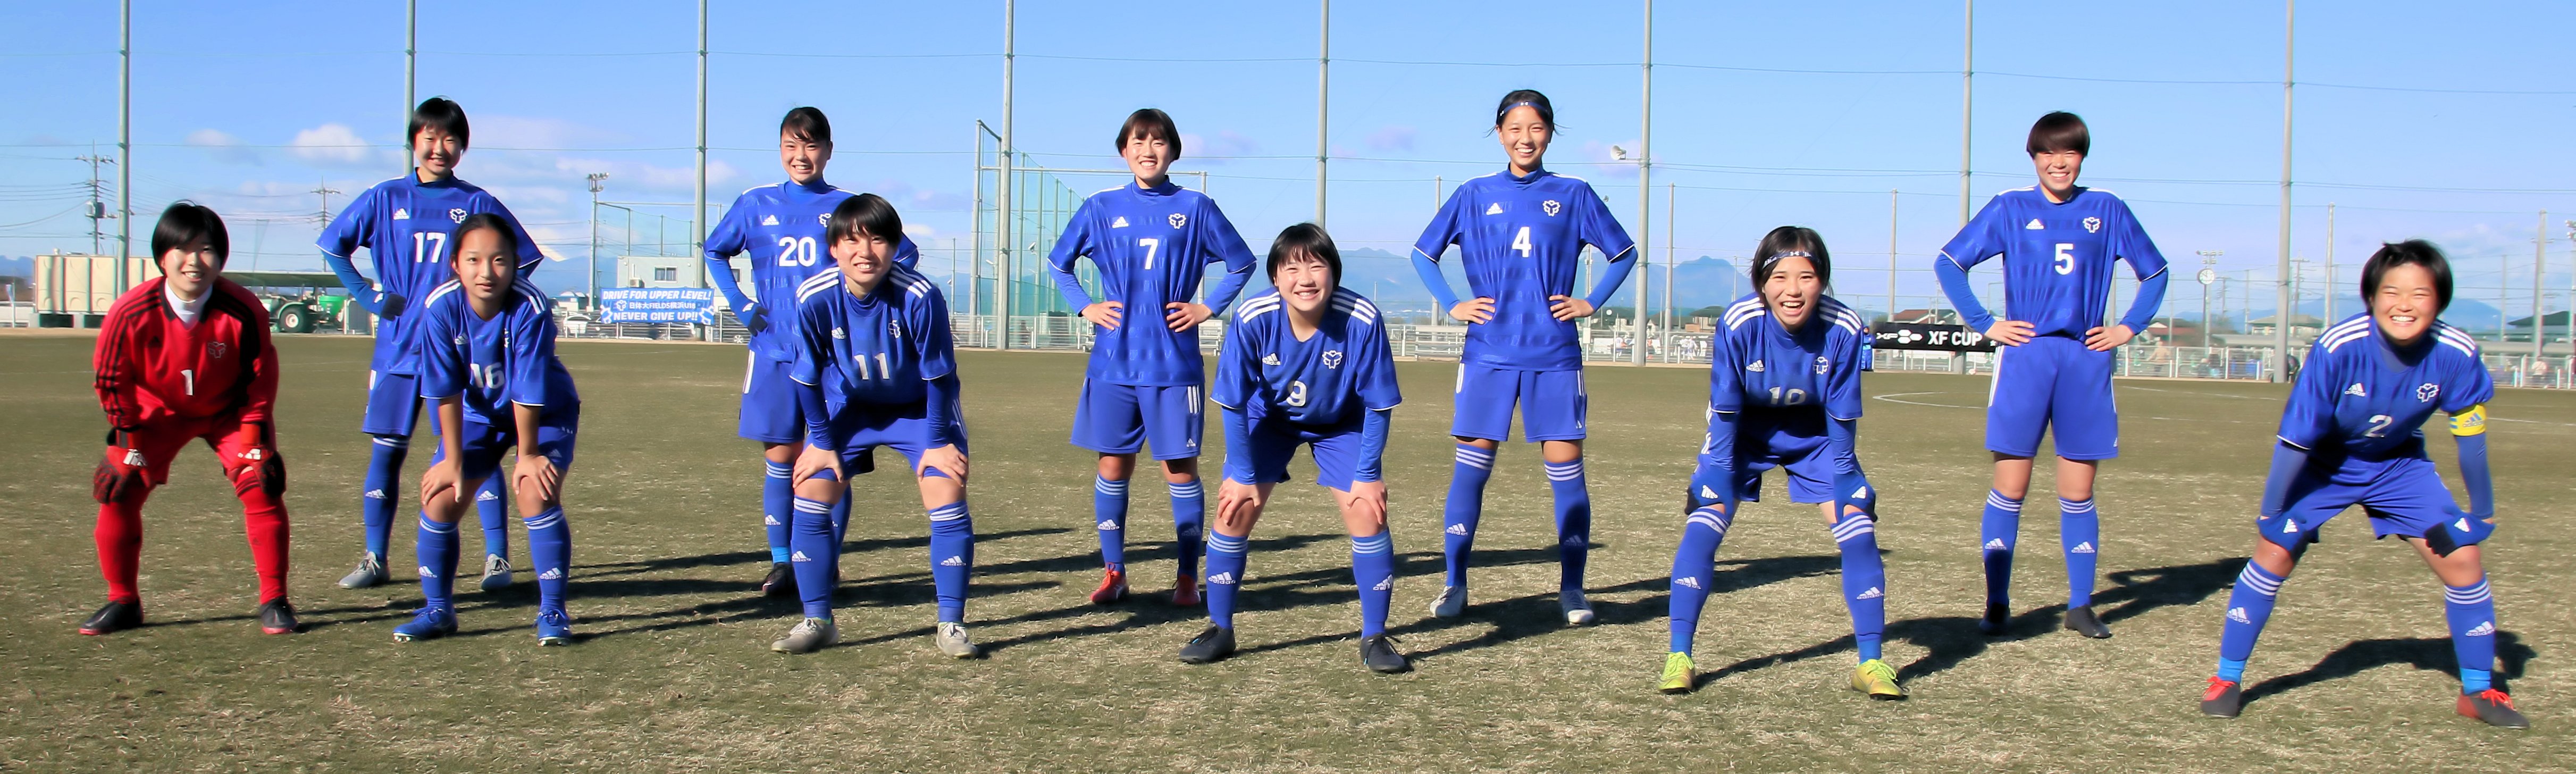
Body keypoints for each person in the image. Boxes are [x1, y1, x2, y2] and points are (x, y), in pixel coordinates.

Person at [2199, 241, 2525, 728]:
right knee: (2274, 552)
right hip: (2323, 464)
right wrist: (2272, 514)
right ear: (2371, 296)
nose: (2404, 303)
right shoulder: (2337, 346)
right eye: (2390, 291)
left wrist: (2481, 514)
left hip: (2398, 466)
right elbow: (2296, 437)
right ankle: (2227, 678)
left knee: (2463, 559)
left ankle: (2478, 691)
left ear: (2439, 300)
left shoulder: (2455, 353)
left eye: (2420, 293)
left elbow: (2471, 436)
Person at [1932, 111, 2169, 638]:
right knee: (2010, 486)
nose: (2058, 162)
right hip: (2027, 357)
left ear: (2082, 157)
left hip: (2084, 359)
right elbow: (1950, 263)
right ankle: (1997, 603)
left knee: (2078, 490)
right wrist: (1985, 323)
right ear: (2034, 157)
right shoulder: (2010, 208)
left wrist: (2128, 327)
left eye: (2069, 152)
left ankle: (2082, 605)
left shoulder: (2106, 209)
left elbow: (2155, 271)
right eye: (2047, 153)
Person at [1410, 89, 1638, 625]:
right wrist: (1453, 304)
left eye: (1535, 128)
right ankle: (1453, 583)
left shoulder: (1574, 193)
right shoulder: (1473, 194)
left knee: (1567, 475)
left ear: (1550, 133)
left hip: (1554, 355)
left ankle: (1573, 590)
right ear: (1499, 134)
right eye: (1514, 128)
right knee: (1470, 474)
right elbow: (1424, 254)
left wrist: (1591, 301)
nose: (1525, 138)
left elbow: (1623, 252)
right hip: (1488, 353)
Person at [320, 97, 545, 593]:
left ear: (462, 147)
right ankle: (376, 557)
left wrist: (493, 316)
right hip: (399, 350)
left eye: (450, 139)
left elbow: (523, 259)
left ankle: (497, 560)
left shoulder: (478, 202)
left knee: (472, 451)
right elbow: (334, 242)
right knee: (387, 453)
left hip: (465, 354)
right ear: (413, 141)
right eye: (430, 136)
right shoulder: (384, 197)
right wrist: (367, 294)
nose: (439, 147)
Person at [1660, 227, 1896, 698]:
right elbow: (1725, 405)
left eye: (1806, 277)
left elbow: (1843, 410)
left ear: (1822, 281)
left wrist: (1847, 476)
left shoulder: (1844, 326)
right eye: (1780, 277)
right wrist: (1719, 472)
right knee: (1704, 520)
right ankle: (1678, 656)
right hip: (1742, 432)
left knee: (1858, 526)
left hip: (1815, 436)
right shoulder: (1739, 321)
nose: (1793, 290)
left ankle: (1871, 663)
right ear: (1761, 282)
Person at [704, 106, 921, 598]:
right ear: (780, 149)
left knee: (832, 459)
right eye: (791, 145)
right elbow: (715, 249)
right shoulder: (754, 202)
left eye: (811, 145)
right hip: (774, 350)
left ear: (828, 149)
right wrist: (739, 301)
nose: (801, 156)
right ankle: (783, 563)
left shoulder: (848, 206)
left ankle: (827, 562)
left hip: (835, 359)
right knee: (782, 457)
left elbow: (902, 253)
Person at [1045, 108, 1257, 607]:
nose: (1148, 150)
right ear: (1123, 151)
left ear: (1173, 150)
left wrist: (1207, 306)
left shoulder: (1197, 206)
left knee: (1179, 469)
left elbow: (1242, 262)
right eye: (1138, 141)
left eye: (1158, 141)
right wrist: (1086, 305)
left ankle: (1187, 576)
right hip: (1113, 363)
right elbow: (1059, 262)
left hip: (1173, 365)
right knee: (1113, 465)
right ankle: (1114, 571)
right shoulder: (1099, 207)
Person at [1181, 223, 1408, 673]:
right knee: (1233, 509)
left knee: (1368, 511)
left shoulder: (1361, 318)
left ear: (1334, 274)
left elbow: (1379, 406)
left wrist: (1368, 474)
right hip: (1268, 420)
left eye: (1316, 266)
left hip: (1342, 423)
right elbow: (1232, 400)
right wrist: (1242, 474)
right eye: (1292, 268)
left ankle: (1375, 635)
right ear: (1275, 278)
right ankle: (1219, 627)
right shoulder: (1253, 316)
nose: (1305, 278)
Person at [770, 194, 980, 659]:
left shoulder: (919, 296)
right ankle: (817, 620)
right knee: (811, 492)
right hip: (851, 406)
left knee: (945, 490)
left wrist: (940, 440)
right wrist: (821, 444)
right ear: (834, 248)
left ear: (894, 246)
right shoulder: (814, 296)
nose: (865, 252)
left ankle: (951, 624)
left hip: (919, 408)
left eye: (879, 239)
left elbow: (941, 377)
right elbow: (805, 377)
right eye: (851, 240)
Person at [82, 202, 296, 636]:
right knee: (120, 483)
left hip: (228, 412)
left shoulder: (244, 308)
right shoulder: (129, 312)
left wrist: (255, 430)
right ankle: (122, 599)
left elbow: (260, 372)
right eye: (183, 249)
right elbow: (111, 376)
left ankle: (275, 599)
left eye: (207, 249)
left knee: (260, 476)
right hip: (155, 413)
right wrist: (127, 436)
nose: (195, 261)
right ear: (163, 256)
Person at [392, 214, 582, 645]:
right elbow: (443, 391)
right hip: (480, 413)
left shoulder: (529, 306)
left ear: (515, 263)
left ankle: (553, 610)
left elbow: (529, 388)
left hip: (545, 412)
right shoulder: (440, 307)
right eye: (474, 259)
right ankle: (438, 610)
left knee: (535, 490)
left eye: (499, 260)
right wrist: (453, 461)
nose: (487, 271)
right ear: (456, 264)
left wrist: (528, 453)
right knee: (441, 497)